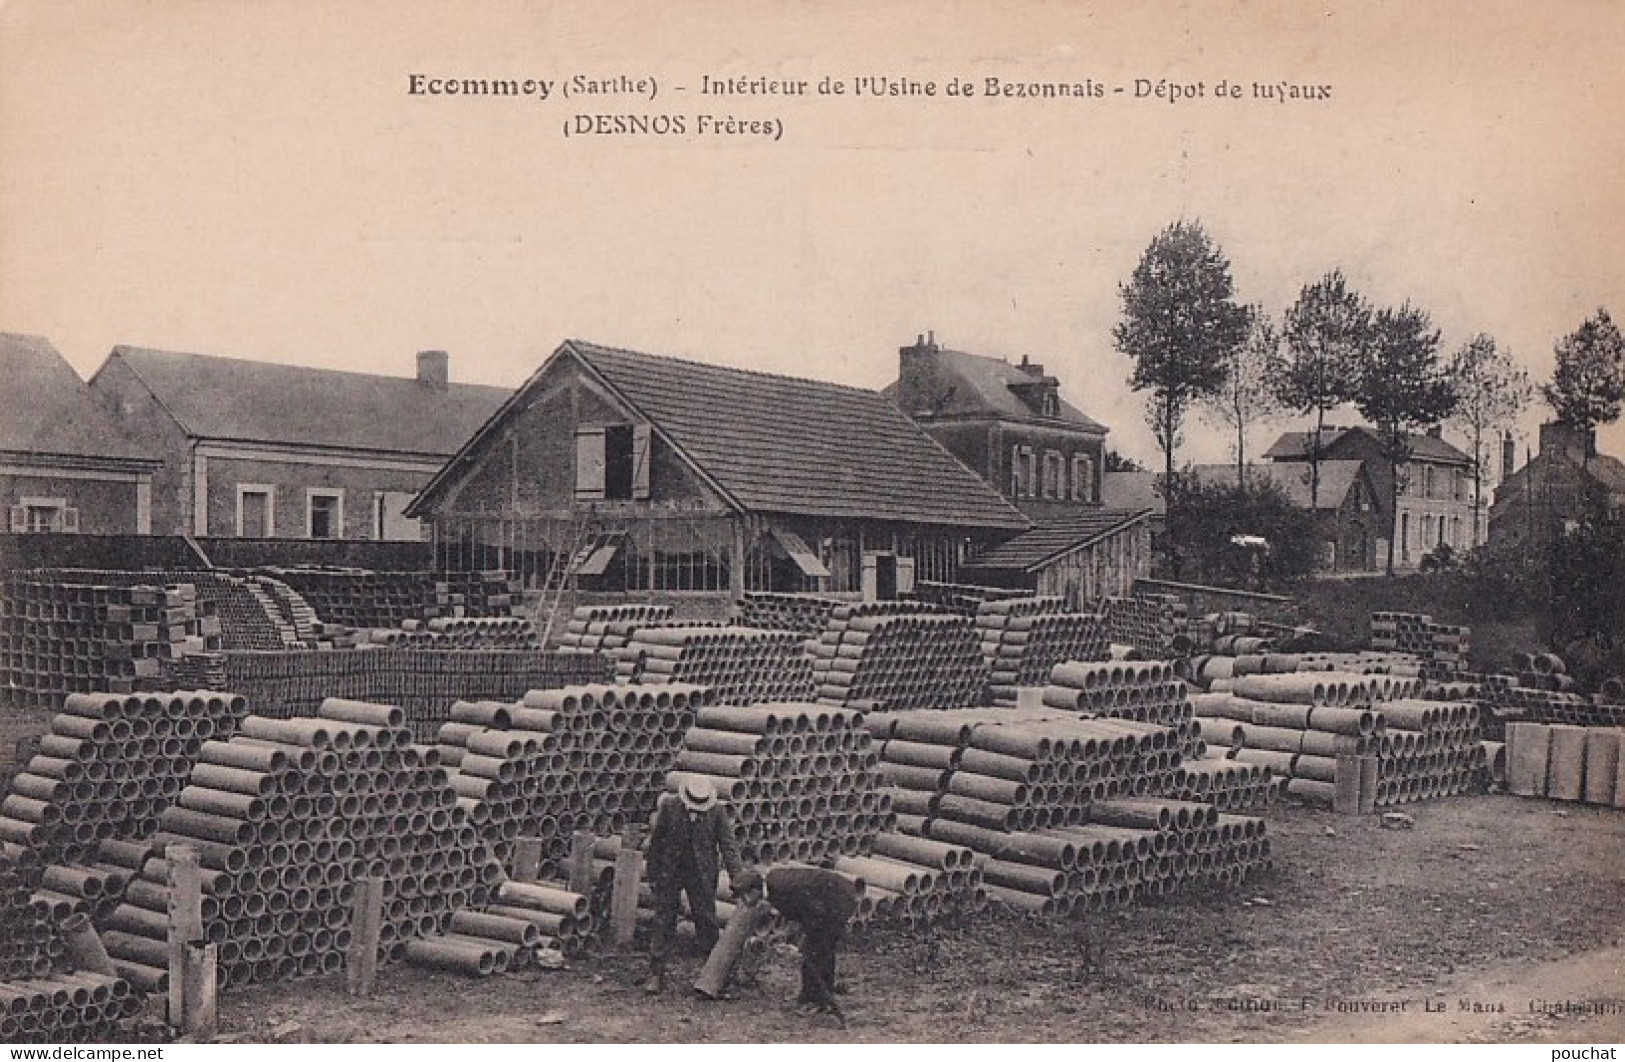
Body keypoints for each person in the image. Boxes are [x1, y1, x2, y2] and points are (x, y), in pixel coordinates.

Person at [642, 776, 747, 993]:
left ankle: (715, 974)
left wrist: (739, 879)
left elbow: (728, 846)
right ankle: (656, 972)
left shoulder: (717, 811)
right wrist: (653, 874)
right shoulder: (670, 806)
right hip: (671, 870)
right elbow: (656, 843)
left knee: (706, 918)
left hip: (702, 872)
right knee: (663, 919)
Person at [732, 864, 859, 1013]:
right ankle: (812, 996)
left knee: (818, 950)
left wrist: (807, 932)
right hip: (824, 901)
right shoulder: (774, 886)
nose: (746, 901)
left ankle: (820, 1001)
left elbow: (814, 910)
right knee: (815, 951)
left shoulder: (781, 889)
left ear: (755, 890)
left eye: (745, 896)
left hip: (837, 899)